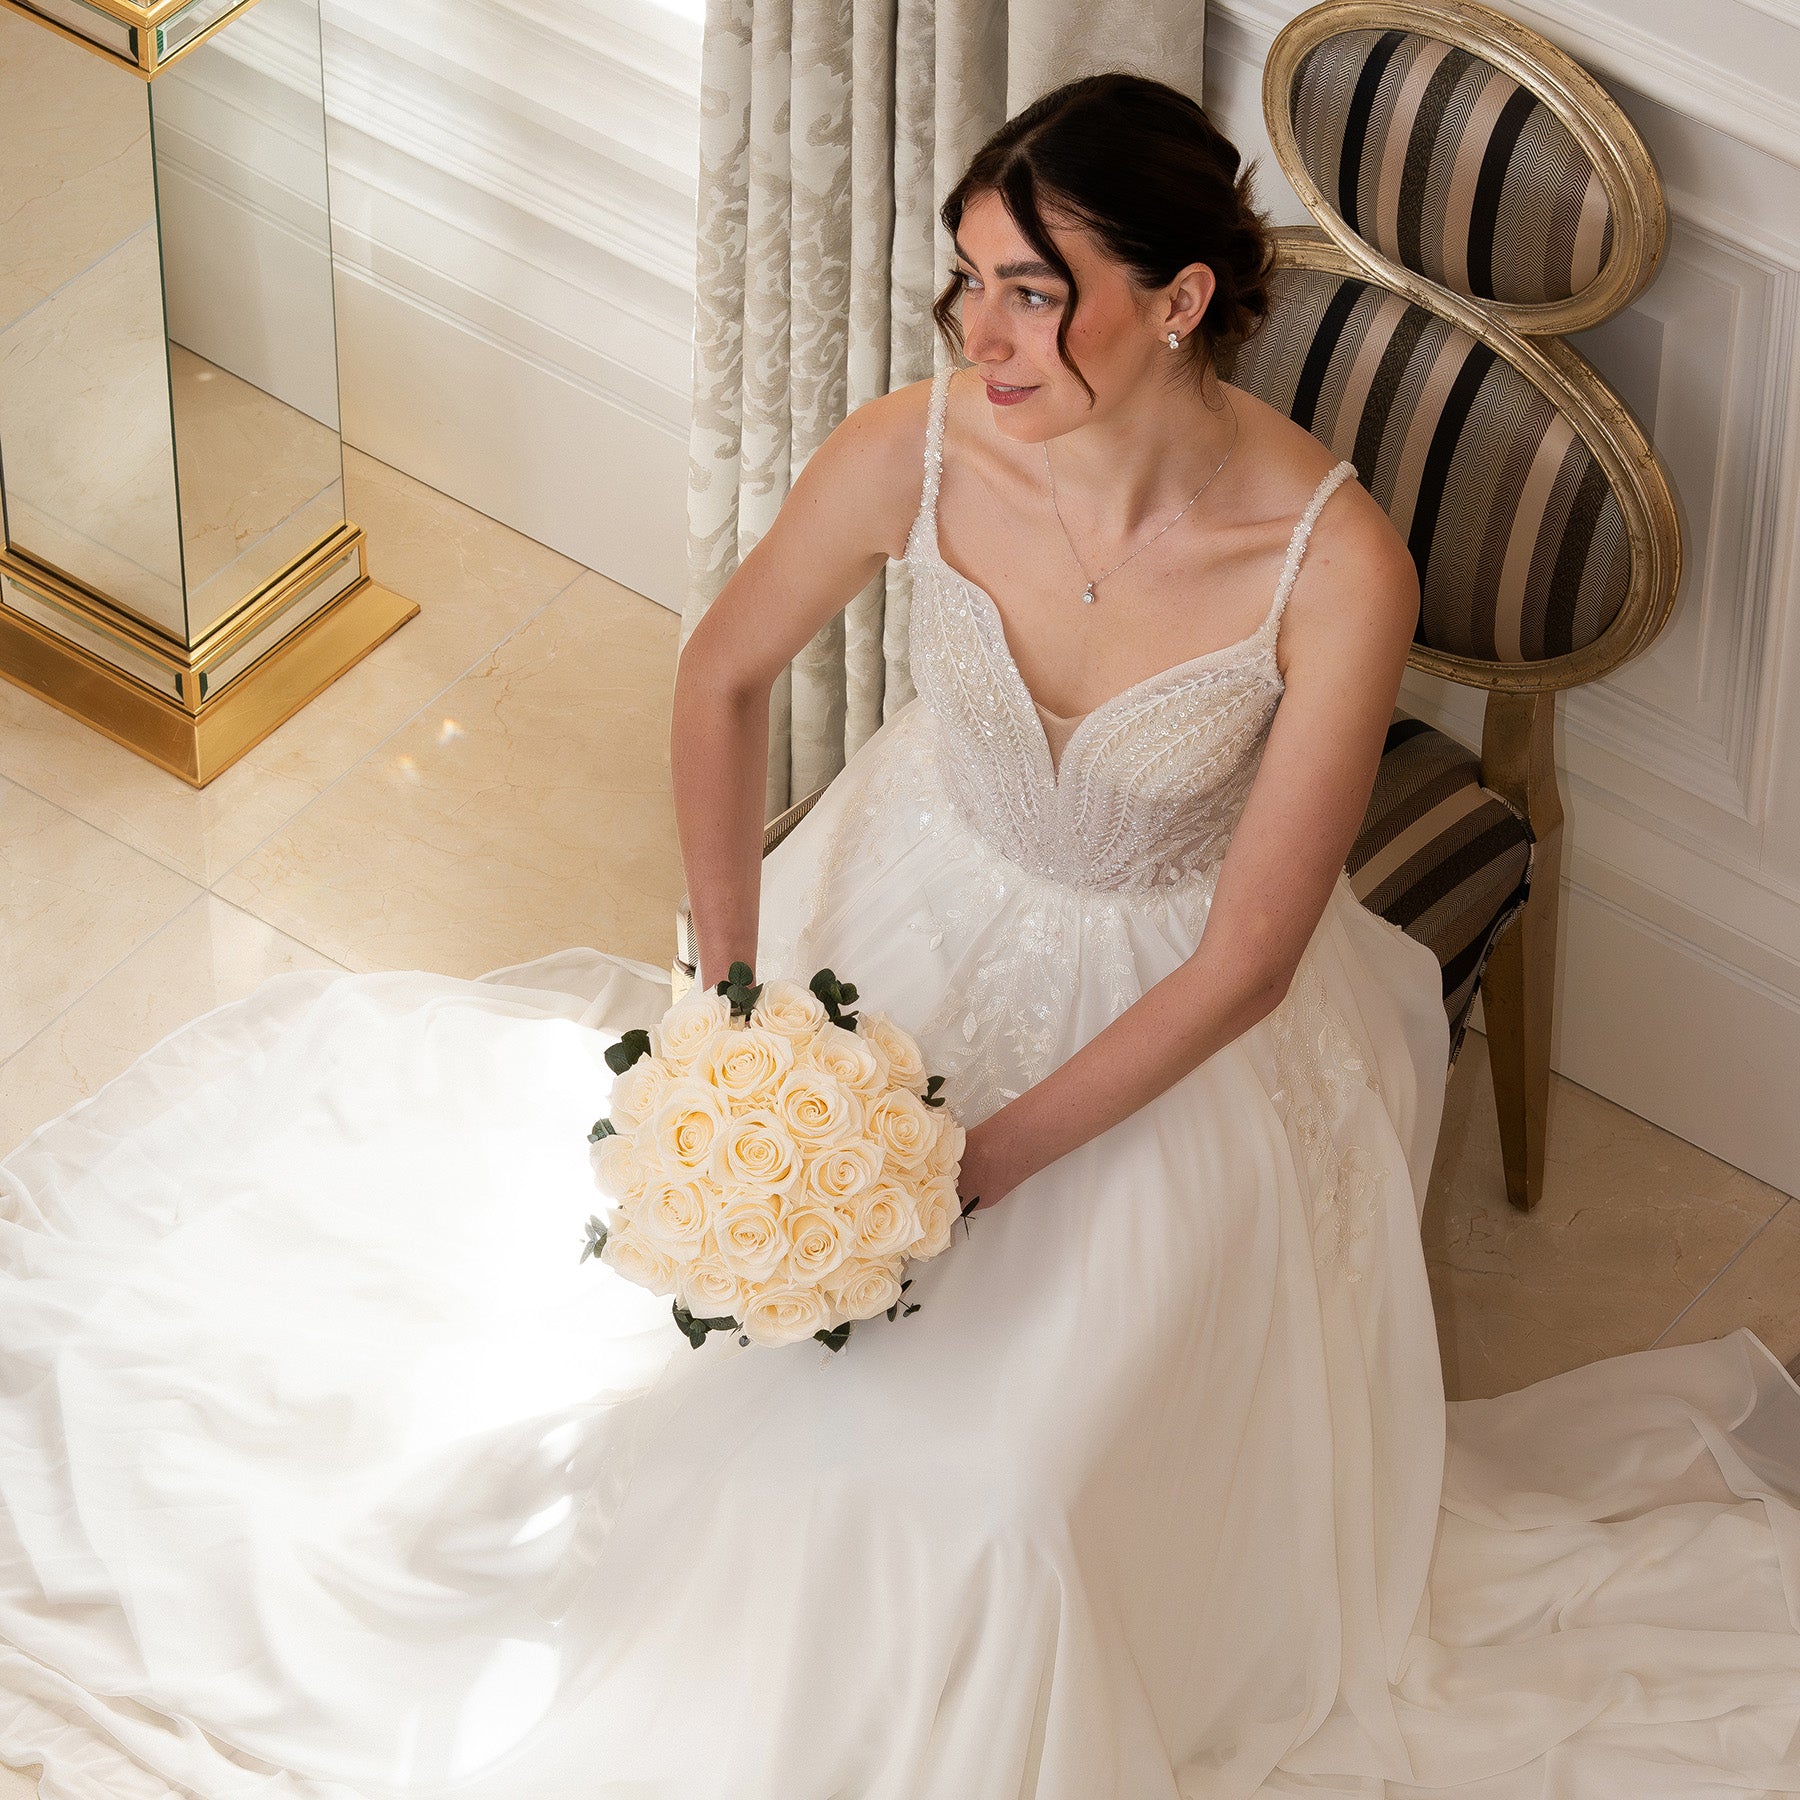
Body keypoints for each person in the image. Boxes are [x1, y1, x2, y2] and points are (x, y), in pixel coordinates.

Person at [1, 69, 1796, 1800]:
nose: (978, 337)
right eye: (967, 281)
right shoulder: (913, 454)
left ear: (1178, 301)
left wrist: (974, 1167)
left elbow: (1247, 964)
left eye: (1033, 293)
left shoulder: (1334, 569)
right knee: (707, 1366)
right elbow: (721, 676)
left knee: (1003, 1495)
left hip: (1170, 1031)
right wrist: (723, 997)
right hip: (897, 909)